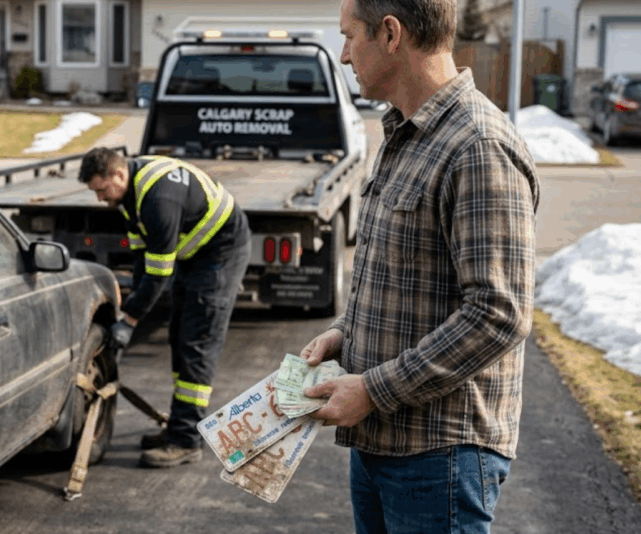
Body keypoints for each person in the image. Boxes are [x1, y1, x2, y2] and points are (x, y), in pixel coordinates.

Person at [299, 0, 540, 532]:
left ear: (390, 34)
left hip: (440, 456)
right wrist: (345, 334)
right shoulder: (405, 134)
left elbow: (499, 313)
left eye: (349, 36)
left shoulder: (477, 146)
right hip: (384, 444)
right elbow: (408, 276)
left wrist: (372, 390)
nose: (342, 55)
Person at [78, 147, 251, 468]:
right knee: (179, 336)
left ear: (119, 174)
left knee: (196, 344)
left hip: (220, 255)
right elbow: (143, 261)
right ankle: (181, 427)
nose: (100, 199)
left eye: (102, 190)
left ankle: (185, 441)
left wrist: (129, 321)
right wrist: (128, 310)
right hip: (195, 255)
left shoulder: (158, 200)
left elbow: (159, 275)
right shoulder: (130, 196)